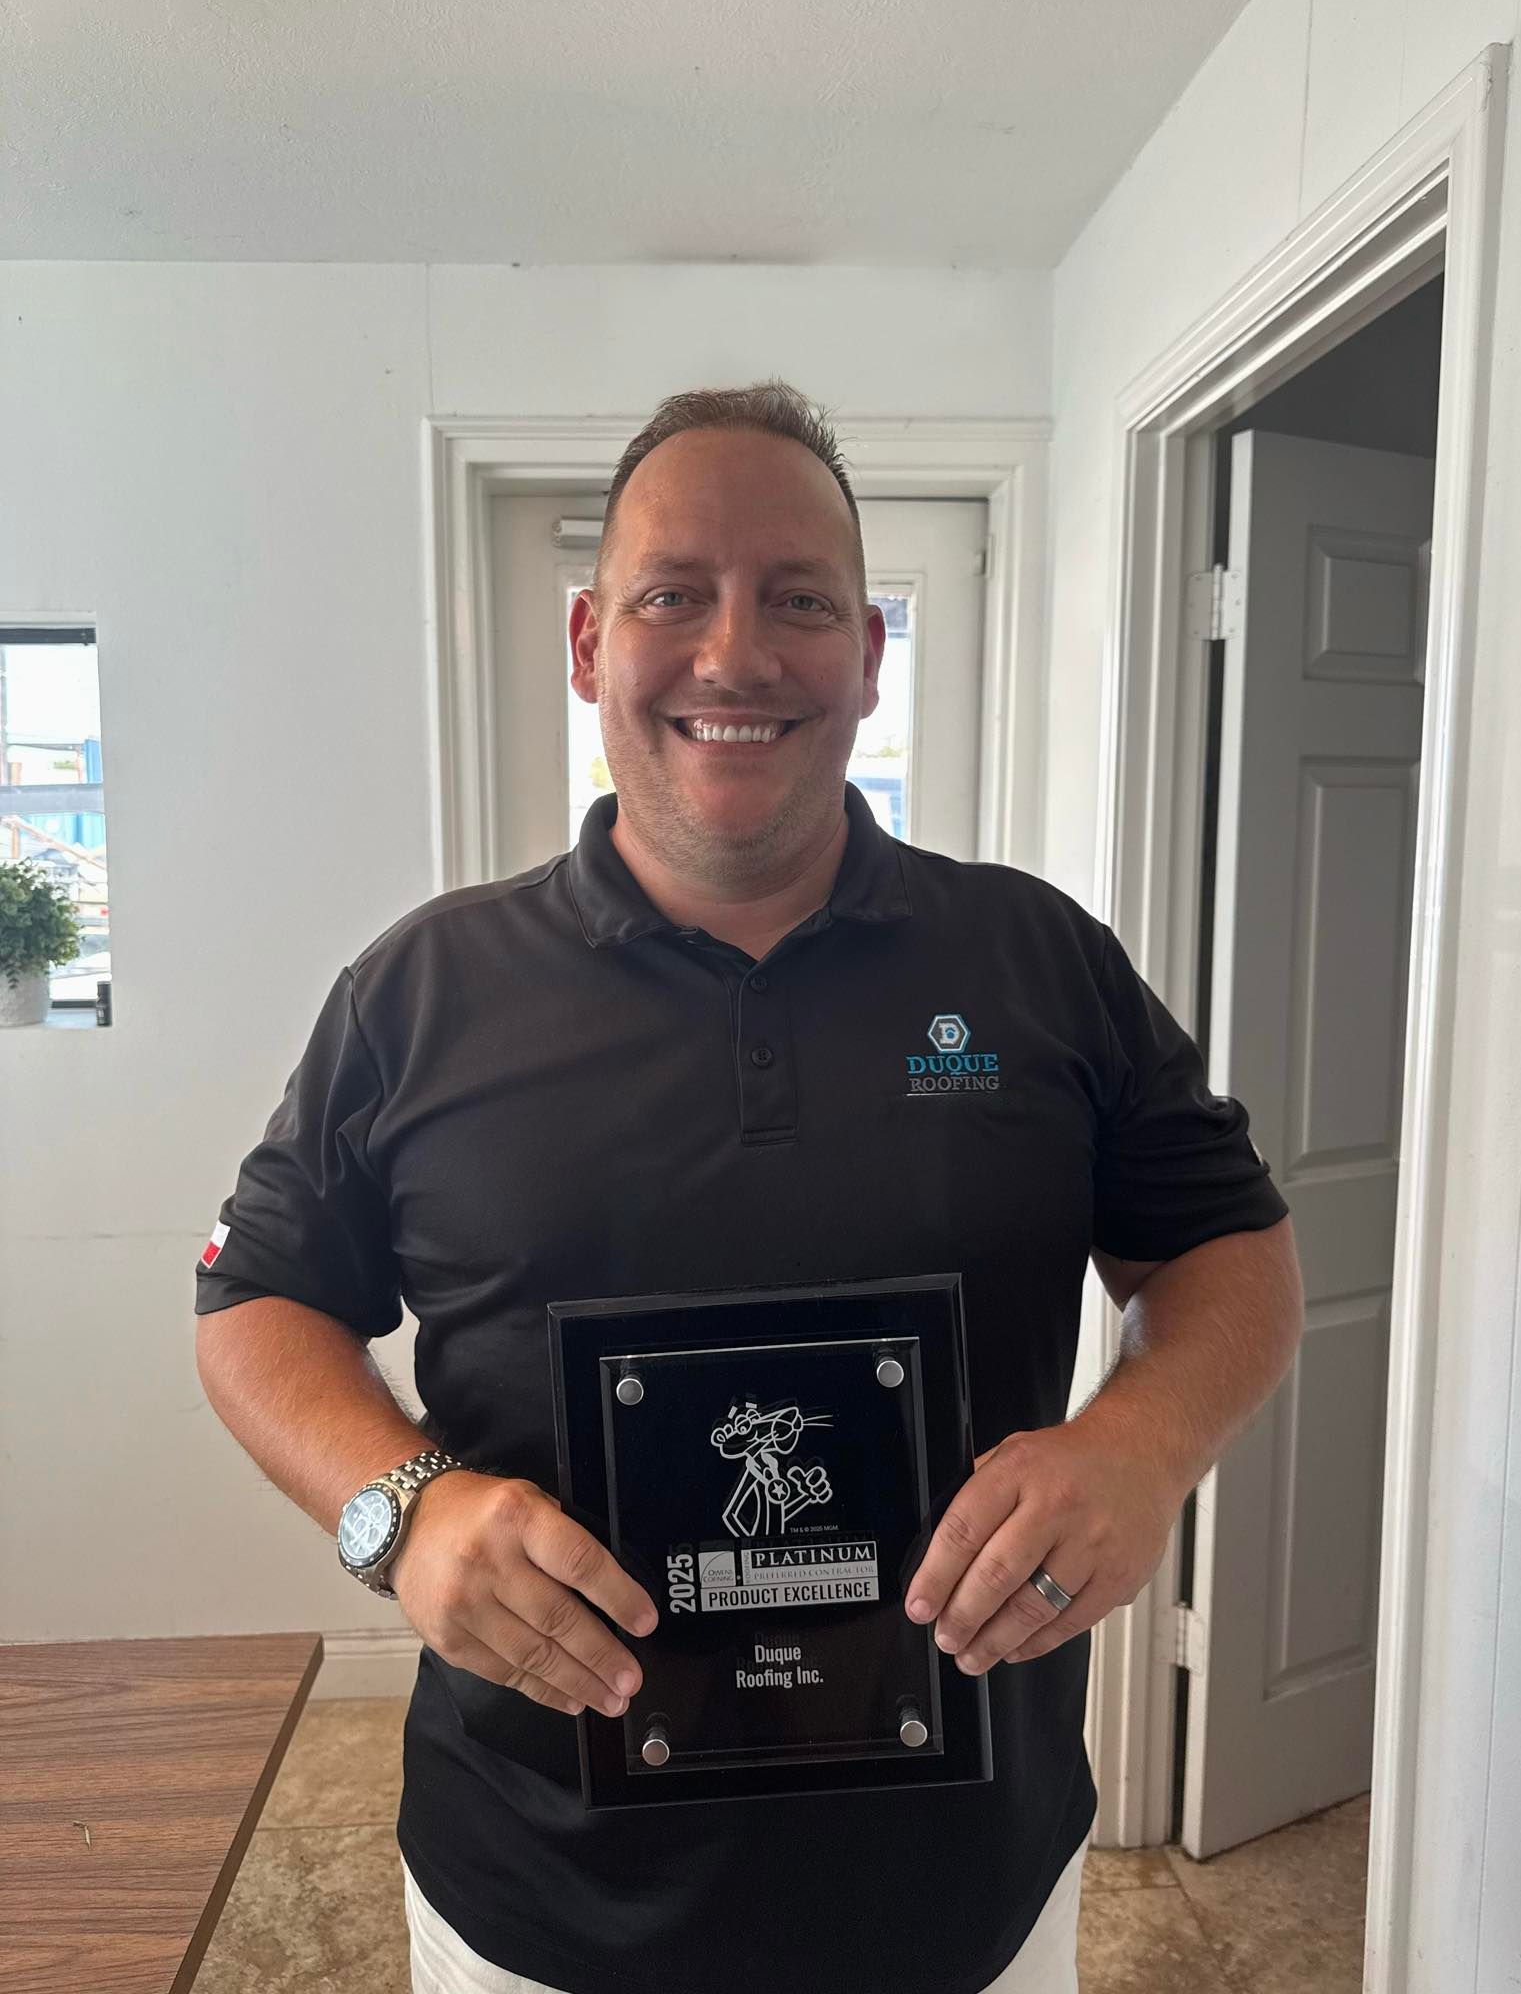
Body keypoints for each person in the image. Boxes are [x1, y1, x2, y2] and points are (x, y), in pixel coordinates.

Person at [193, 378, 1302, 1994]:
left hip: (967, 1894)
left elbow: (1232, 1250)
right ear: (590, 645)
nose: (735, 653)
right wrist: (401, 1514)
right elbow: (254, 1302)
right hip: (541, 1906)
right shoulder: (420, 992)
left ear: (866, 656)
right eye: (673, 596)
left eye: (800, 599)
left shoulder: (1036, 961)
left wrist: (1143, 1445)